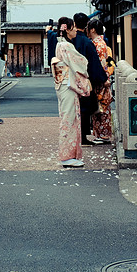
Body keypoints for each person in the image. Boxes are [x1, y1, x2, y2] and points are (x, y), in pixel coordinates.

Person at [51, 34, 89, 167]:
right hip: (67, 86)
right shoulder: (66, 49)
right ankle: (67, 156)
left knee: (67, 118)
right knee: (69, 119)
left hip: (62, 86)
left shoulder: (57, 53)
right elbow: (81, 62)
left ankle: (70, 155)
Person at [70, 12, 108, 146]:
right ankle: (83, 136)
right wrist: (103, 79)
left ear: (74, 24)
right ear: (86, 25)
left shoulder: (69, 41)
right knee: (85, 108)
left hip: (70, 78)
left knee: (72, 108)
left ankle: (74, 135)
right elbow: (94, 63)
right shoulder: (87, 42)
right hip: (85, 79)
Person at [87, 19, 115, 144]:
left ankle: (103, 134)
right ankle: (103, 134)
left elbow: (100, 64)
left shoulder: (97, 45)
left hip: (100, 79)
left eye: (89, 28)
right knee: (103, 107)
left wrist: (104, 77)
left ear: (92, 29)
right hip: (104, 77)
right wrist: (109, 74)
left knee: (100, 107)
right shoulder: (103, 43)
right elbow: (109, 62)